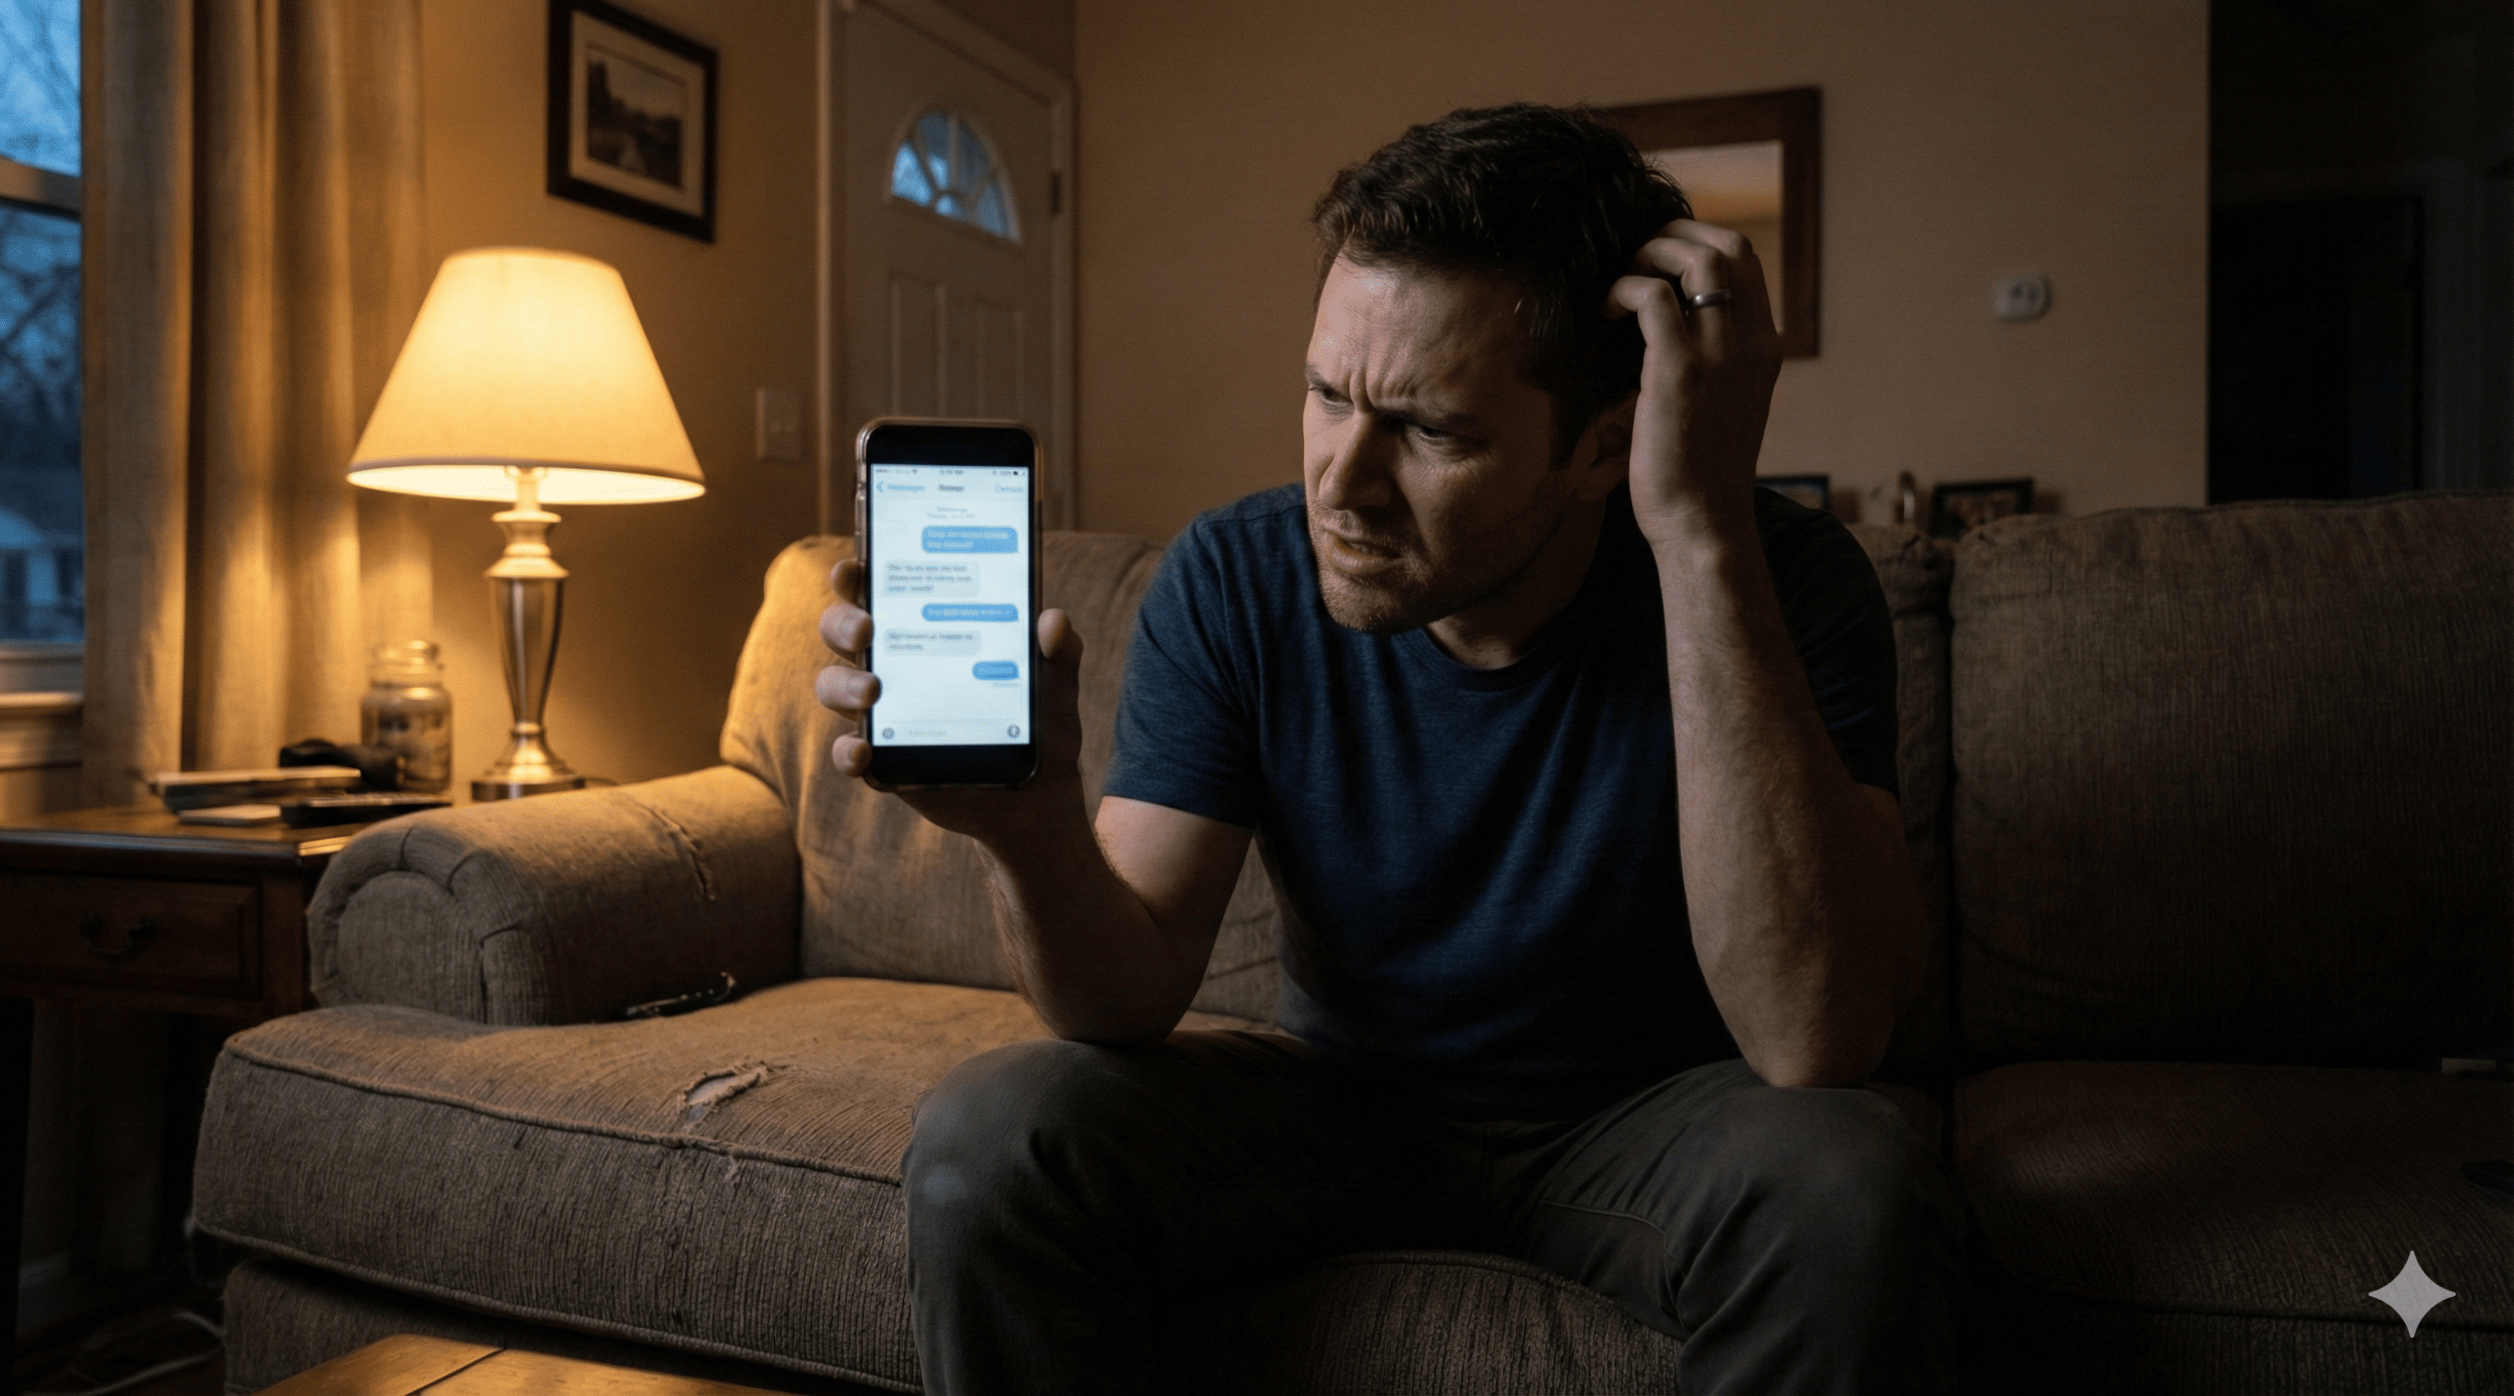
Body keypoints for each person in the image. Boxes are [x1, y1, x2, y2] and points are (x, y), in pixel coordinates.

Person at [814, 102, 1965, 1395]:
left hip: (1650, 1124)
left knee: (1849, 1180)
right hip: (1342, 1109)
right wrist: (1028, 831)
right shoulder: (1239, 577)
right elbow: (1121, 999)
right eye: (1323, 396)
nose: (1341, 485)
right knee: (996, 1128)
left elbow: (1817, 1037)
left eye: (1430, 431)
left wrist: (1698, 533)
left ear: (1601, 445)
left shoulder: (1784, 580)